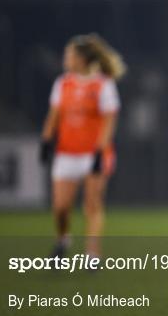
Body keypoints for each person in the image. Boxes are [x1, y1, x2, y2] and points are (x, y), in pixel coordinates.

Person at [40, 33, 125, 262]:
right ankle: (62, 240)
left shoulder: (102, 85)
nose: (66, 58)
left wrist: (100, 150)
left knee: (92, 204)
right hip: (66, 152)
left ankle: (92, 252)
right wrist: (46, 140)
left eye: (70, 55)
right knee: (60, 207)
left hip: (93, 153)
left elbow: (109, 122)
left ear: (83, 59)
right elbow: (54, 115)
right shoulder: (63, 83)